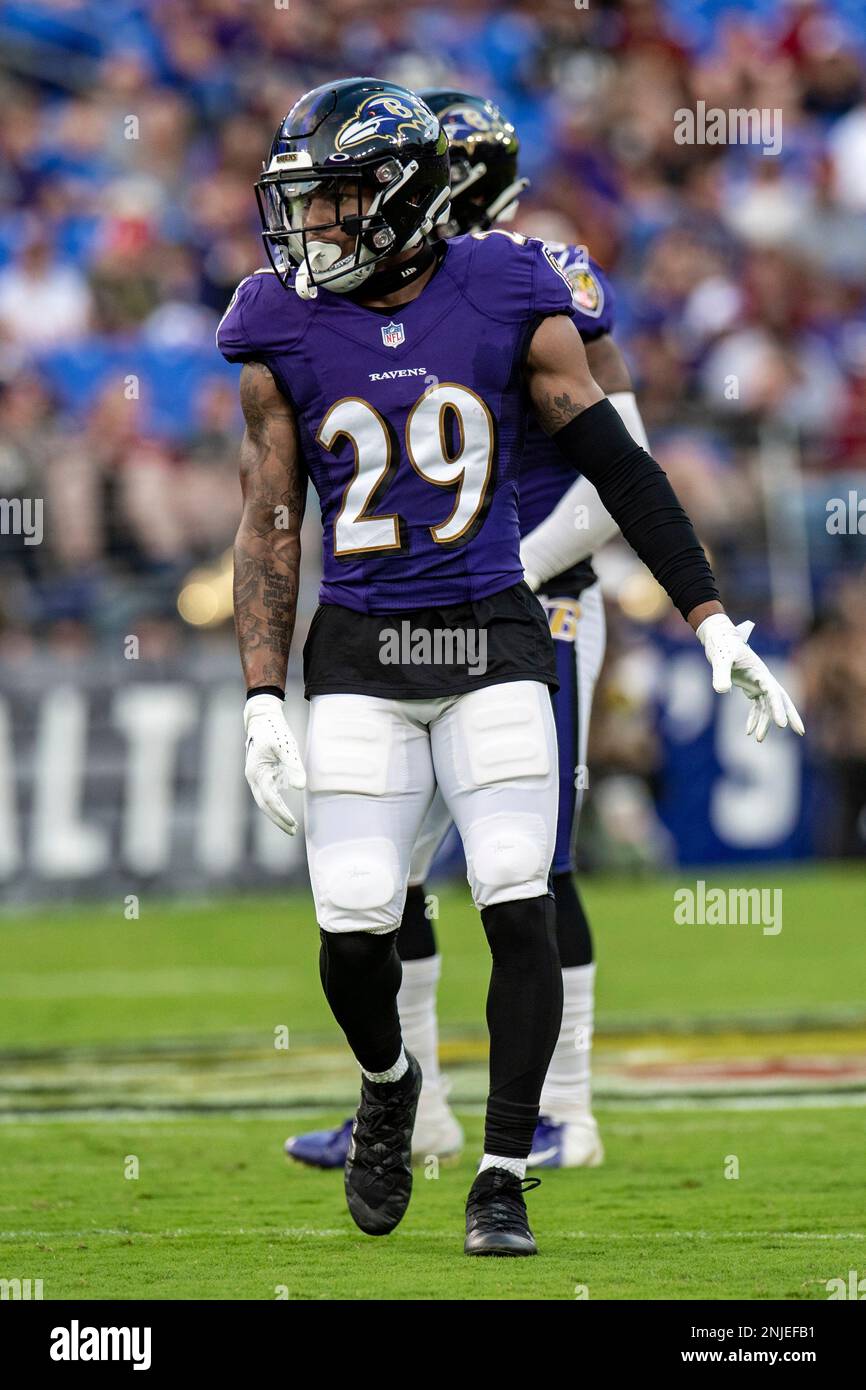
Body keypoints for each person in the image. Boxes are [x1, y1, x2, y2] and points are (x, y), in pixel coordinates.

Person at [219, 78, 802, 1257]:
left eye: (332, 200)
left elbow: (618, 465)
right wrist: (258, 695)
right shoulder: (274, 322)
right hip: (363, 654)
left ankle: (500, 1174)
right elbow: (270, 518)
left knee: (515, 898)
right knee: (353, 926)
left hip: (494, 638)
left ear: (395, 196)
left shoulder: (508, 288)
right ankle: (389, 1084)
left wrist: (708, 616)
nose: (310, 227)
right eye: (305, 203)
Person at [285, 88, 651, 1174]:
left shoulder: (534, 278)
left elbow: (618, 473)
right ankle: (416, 1108)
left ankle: (565, 1110)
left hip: (533, 602)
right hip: (426, 618)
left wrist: (497, 574)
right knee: (386, 873)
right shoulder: (391, 296)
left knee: (532, 868)